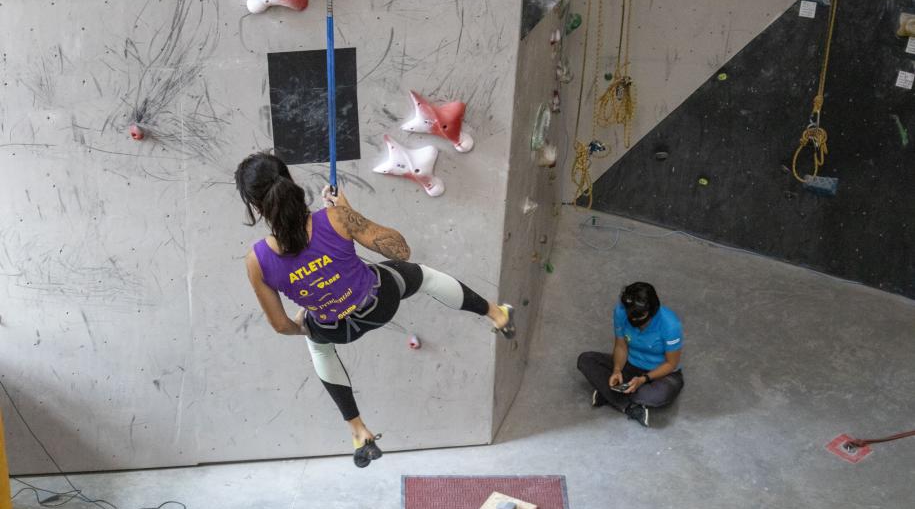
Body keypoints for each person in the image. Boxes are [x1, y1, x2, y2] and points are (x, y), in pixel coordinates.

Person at [234, 152, 516, 467]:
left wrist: (306, 324)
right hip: (379, 305)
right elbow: (401, 250)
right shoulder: (336, 219)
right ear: (291, 182)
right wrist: (348, 212)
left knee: (319, 347)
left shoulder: (257, 261)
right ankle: (496, 314)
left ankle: (357, 430)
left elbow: (282, 326)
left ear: (256, 207)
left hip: (337, 330)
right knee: (425, 277)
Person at [577, 282, 683, 427]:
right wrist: (616, 370)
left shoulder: (670, 324)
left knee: (657, 396)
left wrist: (643, 379)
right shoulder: (620, 312)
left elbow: (671, 364)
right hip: (631, 365)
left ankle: (609, 394)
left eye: (641, 318)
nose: (637, 323)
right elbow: (621, 346)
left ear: (652, 310)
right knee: (586, 360)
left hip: (663, 373)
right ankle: (630, 407)